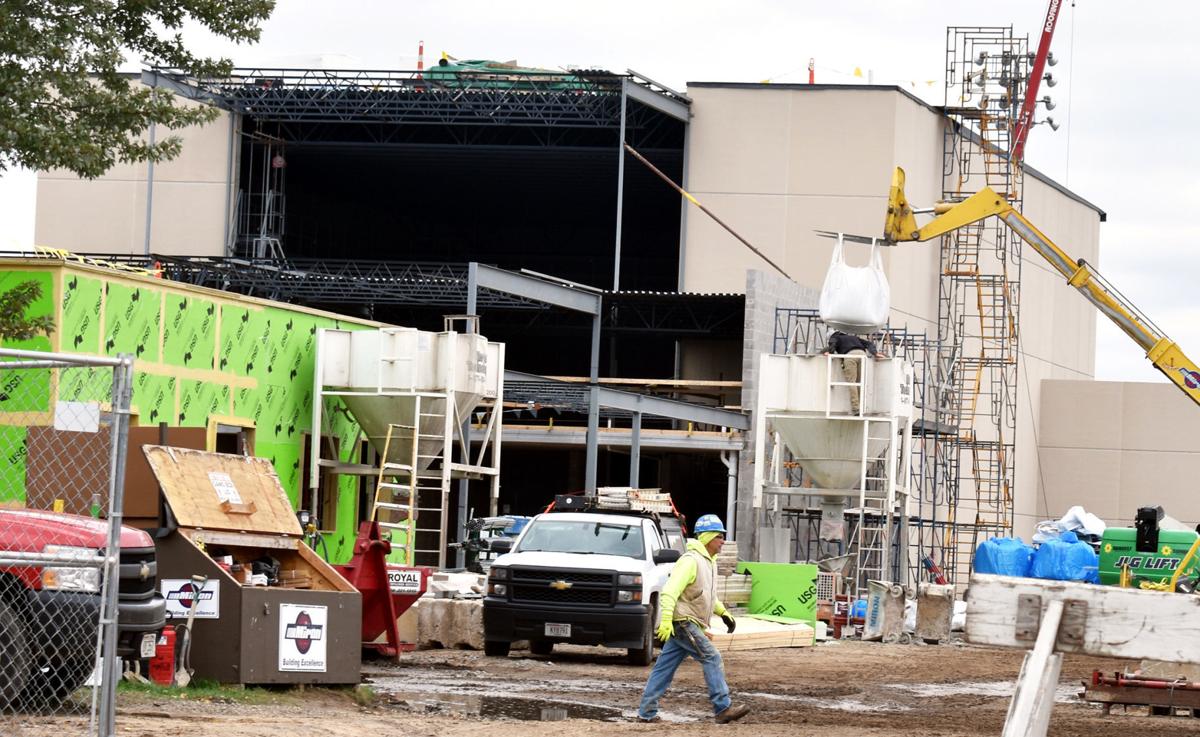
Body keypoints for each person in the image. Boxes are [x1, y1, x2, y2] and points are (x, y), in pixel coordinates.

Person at [636, 514, 750, 724]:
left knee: (663, 669)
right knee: (712, 657)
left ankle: (646, 712)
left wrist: (723, 613)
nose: (723, 541)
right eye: (719, 536)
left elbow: (707, 594)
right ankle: (722, 707)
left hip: (688, 623)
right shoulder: (690, 561)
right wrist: (667, 620)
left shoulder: (709, 562)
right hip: (684, 622)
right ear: (707, 537)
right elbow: (670, 591)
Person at [823, 330, 881, 415]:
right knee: (861, 382)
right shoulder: (854, 337)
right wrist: (875, 353)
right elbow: (869, 344)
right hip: (862, 355)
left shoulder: (835, 337)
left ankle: (856, 409)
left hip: (850, 356)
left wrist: (830, 352)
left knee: (852, 382)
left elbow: (833, 343)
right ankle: (863, 407)